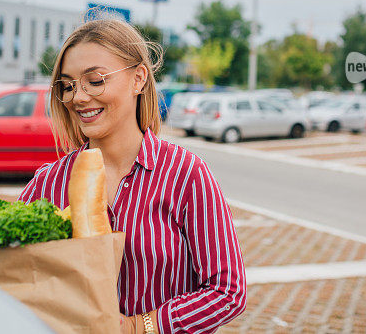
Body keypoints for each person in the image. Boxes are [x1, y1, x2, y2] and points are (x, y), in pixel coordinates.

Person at [18, 17, 246, 334]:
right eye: (68, 85)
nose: (78, 97)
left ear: (138, 79)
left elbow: (227, 292)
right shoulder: (47, 183)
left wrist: (141, 326)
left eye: (95, 81)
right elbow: (20, 279)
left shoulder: (186, 174)